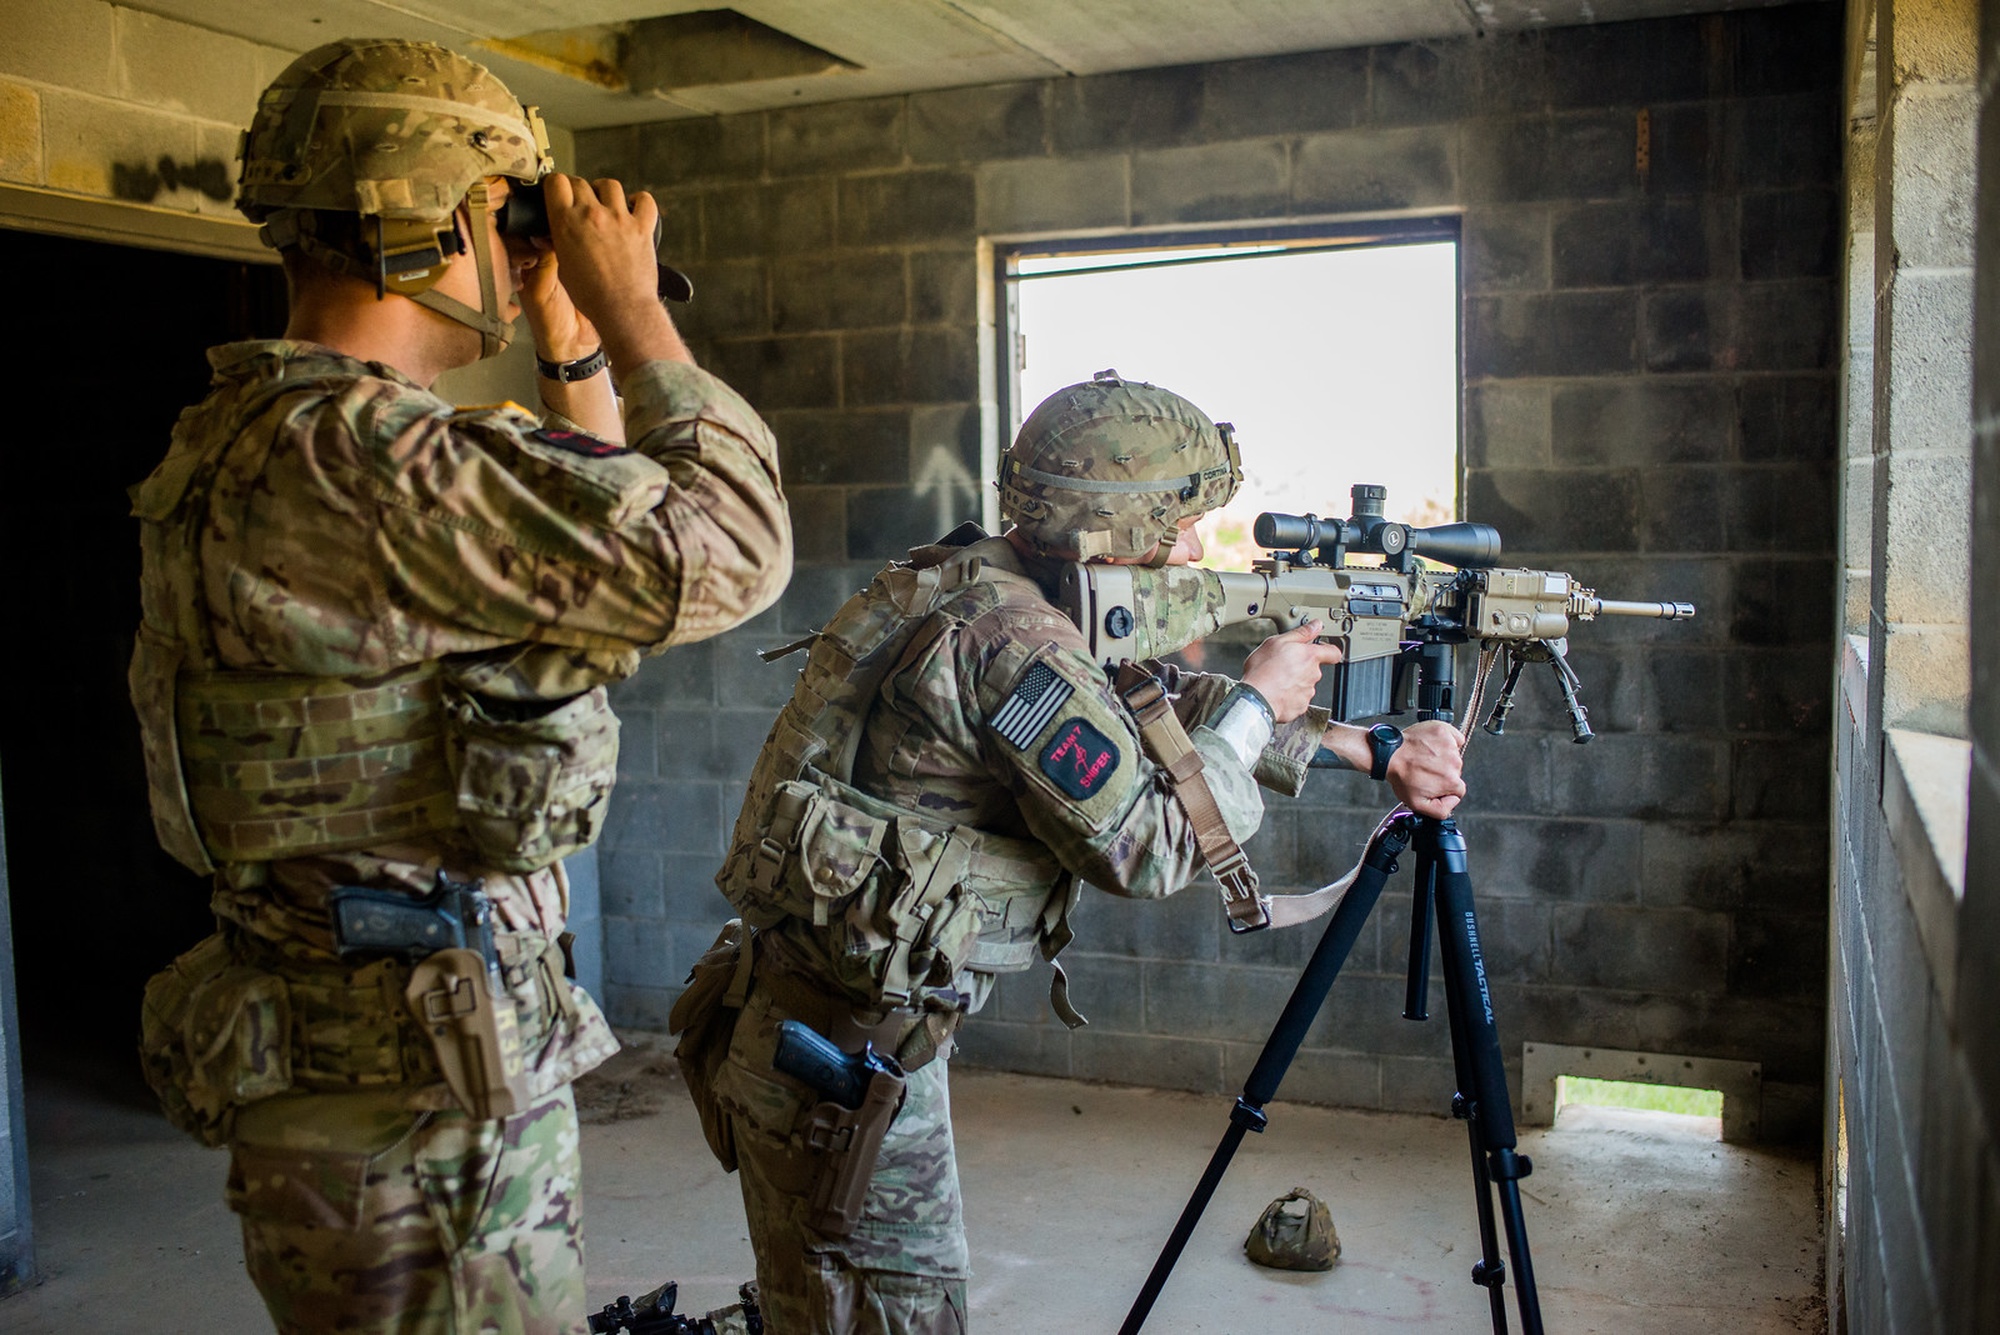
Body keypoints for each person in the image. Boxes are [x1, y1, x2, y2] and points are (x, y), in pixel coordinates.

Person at [128, 37, 791, 1334]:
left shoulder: (283, 435)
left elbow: (594, 550)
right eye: (508, 220)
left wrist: (570, 338)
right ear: (434, 227)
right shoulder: (365, 458)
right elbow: (728, 551)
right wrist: (643, 312)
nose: (521, 251)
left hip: (386, 1072)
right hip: (415, 1110)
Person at [675, 370, 1465, 1332]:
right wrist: (1258, 701)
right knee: (892, 1313)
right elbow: (1152, 845)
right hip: (841, 1056)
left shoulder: (979, 578)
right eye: (1183, 524)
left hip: (825, 1026)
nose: (1197, 549)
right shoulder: (1014, 640)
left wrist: (1347, 744)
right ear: (1114, 524)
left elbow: (1138, 703)